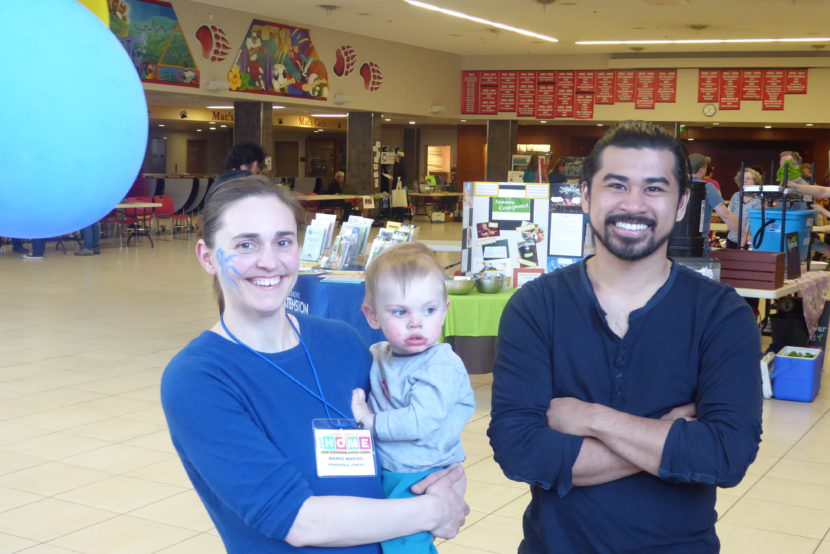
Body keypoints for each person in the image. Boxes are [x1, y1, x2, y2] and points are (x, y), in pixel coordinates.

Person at [488, 120, 762, 553]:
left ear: (681, 203)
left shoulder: (721, 314)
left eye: (654, 188)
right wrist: (667, 436)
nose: (633, 205)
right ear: (585, 197)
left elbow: (726, 456)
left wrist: (593, 420)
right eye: (617, 185)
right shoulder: (536, 306)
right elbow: (520, 452)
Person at [161, 175, 468, 553]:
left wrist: (443, 483)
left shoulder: (342, 341)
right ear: (208, 256)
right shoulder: (199, 379)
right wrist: (431, 510)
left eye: (283, 242)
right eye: (246, 244)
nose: (269, 261)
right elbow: (298, 522)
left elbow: (413, 443)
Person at [351, 242, 476, 554]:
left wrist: (370, 422)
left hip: (421, 473)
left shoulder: (440, 365)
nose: (416, 322)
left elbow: (420, 420)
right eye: (399, 312)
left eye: (428, 310)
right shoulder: (379, 354)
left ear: (445, 310)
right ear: (372, 316)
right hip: (392, 468)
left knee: (406, 544)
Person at [688, 153, 740, 253]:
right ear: (703, 169)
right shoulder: (708, 187)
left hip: (672, 245)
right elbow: (726, 215)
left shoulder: (675, 185)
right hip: (698, 245)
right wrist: (743, 233)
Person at [726, 167, 763, 249]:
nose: (745, 181)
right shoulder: (736, 196)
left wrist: (745, 238)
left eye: (748, 178)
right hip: (732, 239)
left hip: (750, 241)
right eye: (742, 179)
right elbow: (728, 216)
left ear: (755, 181)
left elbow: (758, 222)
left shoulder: (759, 199)